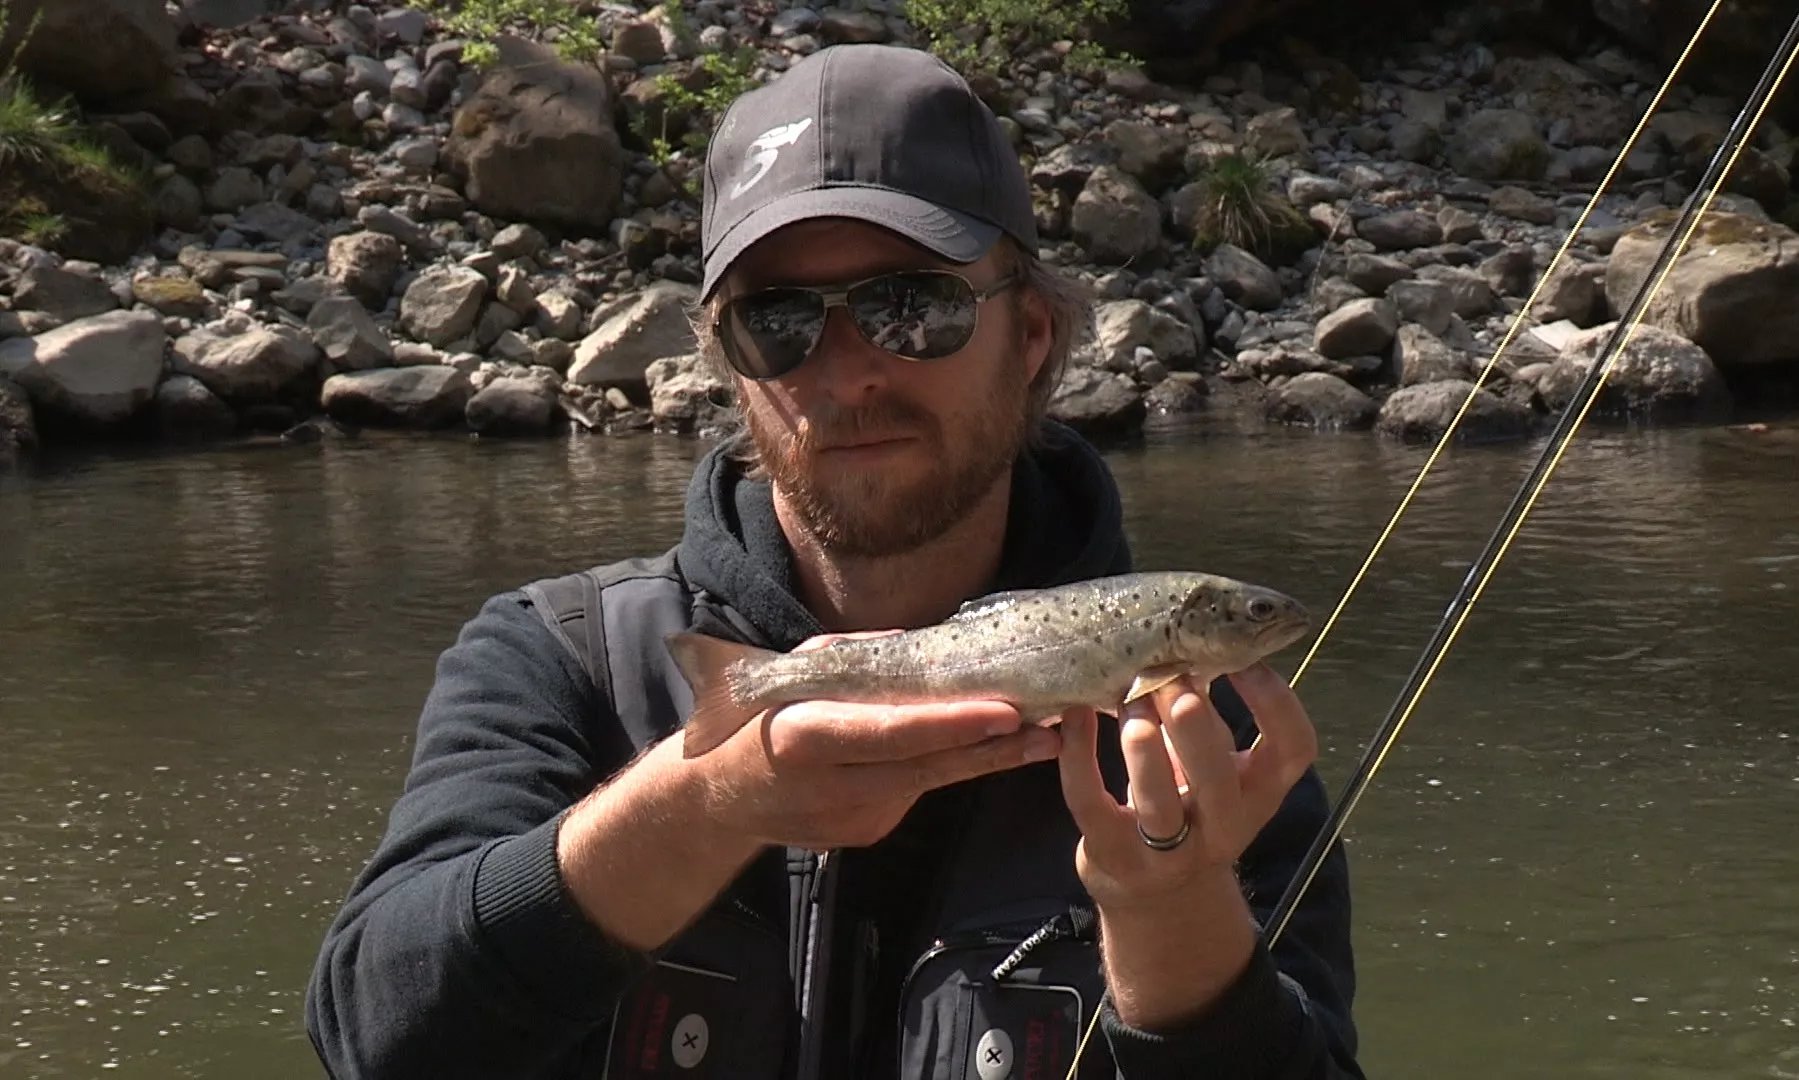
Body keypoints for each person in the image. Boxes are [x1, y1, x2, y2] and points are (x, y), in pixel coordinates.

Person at [305, 42, 1363, 1080]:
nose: (848, 374)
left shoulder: (1212, 749)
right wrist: (701, 804)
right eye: (779, 322)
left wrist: (1170, 913)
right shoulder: (556, 661)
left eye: (914, 306)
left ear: (1033, 334)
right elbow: (373, 1033)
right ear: (727, 359)